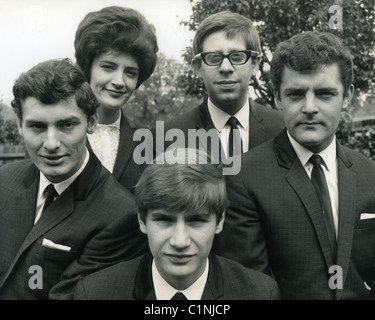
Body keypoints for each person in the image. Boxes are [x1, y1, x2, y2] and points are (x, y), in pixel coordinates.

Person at [213, 31, 375, 299]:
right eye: (296, 94)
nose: (309, 107)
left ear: (347, 97)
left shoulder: (370, 174)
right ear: (277, 97)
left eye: (324, 94)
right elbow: (248, 287)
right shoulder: (242, 176)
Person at [0, 58, 147, 300]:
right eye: (37, 126)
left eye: (66, 125)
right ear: (19, 125)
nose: (51, 144)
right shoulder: (5, 180)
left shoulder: (121, 215)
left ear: (91, 122)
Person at [73, 148, 280, 300]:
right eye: (164, 220)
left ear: (220, 221)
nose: (180, 241)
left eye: (196, 220)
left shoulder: (260, 294)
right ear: (141, 220)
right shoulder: (94, 293)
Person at [153, 11, 284, 163]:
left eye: (237, 57)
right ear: (198, 67)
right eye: (214, 58)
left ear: (254, 64)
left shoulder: (283, 130)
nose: (226, 67)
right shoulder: (165, 139)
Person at [74, 6, 159, 192]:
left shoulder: (149, 144)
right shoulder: (57, 134)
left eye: (130, 72)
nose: (119, 82)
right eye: (108, 67)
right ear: (88, 68)